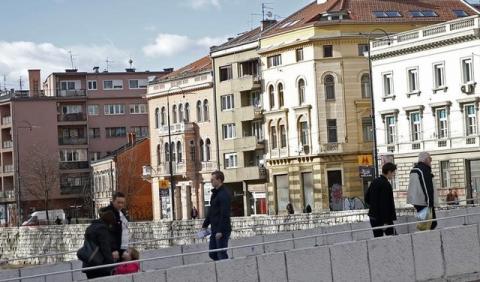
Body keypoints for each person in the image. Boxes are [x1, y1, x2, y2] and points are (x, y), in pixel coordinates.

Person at [201, 171, 231, 261]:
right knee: (212, 253)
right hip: (214, 229)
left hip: (221, 230)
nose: (211, 181)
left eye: (212, 180)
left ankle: (227, 270)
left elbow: (224, 213)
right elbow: (211, 211)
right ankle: (221, 270)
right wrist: (205, 225)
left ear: (219, 180)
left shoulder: (224, 194)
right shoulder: (215, 194)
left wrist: (220, 231)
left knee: (221, 253)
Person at [365, 163, 397, 237]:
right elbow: (385, 204)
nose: (394, 174)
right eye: (393, 172)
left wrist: (374, 206)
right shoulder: (386, 184)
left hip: (373, 217)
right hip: (384, 219)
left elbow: (367, 198)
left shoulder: (374, 181)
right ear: (389, 172)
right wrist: (385, 222)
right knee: (394, 240)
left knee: (378, 240)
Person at [81, 210, 116, 279]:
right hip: (99, 266)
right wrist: (112, 264)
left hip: (89, 264)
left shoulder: (90, 227)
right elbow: (105, 248)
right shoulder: (102, 229)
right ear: (109, 221)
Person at [407, 152, 438, 230]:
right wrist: (429, 203)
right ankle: (427, 240)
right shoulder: (423, 170)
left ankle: (424, 239)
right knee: (431, 224)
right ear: (426, 159)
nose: (431, 161)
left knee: (424, 225)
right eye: (430, 159)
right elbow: (426, 187)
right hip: (424, 202)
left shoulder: (414, 169)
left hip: (417, 202)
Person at [100, 192, 129, 261]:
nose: (120, 205)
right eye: (118, 202)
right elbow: (108, 233)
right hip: (114, 251)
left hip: (121, 248)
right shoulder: (109, 214)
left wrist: (124, 249)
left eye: (122, 203)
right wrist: (113, 249)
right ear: (113, 201)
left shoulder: (121, 213)